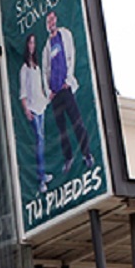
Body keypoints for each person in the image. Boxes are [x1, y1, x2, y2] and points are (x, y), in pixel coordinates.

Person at [41, 11, 94, 175]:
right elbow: (45, 71)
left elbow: (71, 57)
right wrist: (48, 91)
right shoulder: (46, 47)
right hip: (56, 94)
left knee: (77, 122)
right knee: (62, 129)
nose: (51, 23)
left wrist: (68, 81)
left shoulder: (65, 35)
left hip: (66, 88)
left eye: (52, 19)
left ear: (56, 19)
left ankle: (87, 154)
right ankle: (68, 158)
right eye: (48, 21)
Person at [19, 33, 53, 194]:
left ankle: (43, 174)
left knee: (42, 140)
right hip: (32, 108)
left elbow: (41, 86)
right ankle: (40, 179)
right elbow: (23, 92)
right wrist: (26, 109)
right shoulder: (24, 69)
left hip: (41, 106)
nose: (32, 46)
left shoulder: (37, 67)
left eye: (34, 43)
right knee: (39, 140)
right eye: (30, 43)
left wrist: (47, 97)